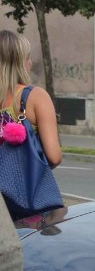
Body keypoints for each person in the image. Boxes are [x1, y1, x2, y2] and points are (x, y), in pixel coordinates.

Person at [0, 30, 62, 168]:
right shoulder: (35, 97)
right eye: (28, 57)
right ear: (19, 62)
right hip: (19, 186)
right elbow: (54, 157)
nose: (30, 62)